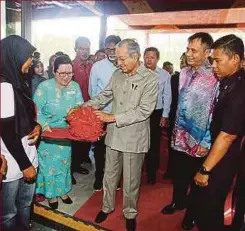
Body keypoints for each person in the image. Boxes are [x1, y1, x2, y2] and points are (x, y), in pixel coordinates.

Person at [83, 39, 158, 231]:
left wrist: (112, 117)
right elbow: (104, 96)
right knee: (109, 175)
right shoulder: (117, 75)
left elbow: (144, 110)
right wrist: (83, 108)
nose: (119, 63)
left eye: (123, 59)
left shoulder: (150, 79)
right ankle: (106, 207)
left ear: (136, 56)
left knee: (131, 180)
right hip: (114, 136)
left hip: (134, 137)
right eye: (117, 59)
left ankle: (130, 213)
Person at [161, 32, 217, 230]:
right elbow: (180, 105)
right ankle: (178, 202)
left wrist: (206, 142)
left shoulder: (214, 77)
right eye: (188, 49)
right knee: (179, 175)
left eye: (194, 50)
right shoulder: (183, 72)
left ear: (207, 52)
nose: (189, 54)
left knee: (196, 180)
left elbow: (214, 113)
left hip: (199, 140)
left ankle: (191, 213)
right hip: (179, 136)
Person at [193, 34, 245, 231]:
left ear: (235, 59)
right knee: (208, 206)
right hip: (219, 151)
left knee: (209, 207)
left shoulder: (240, 88)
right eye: (211, 60)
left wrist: (205, 170)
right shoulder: (228, 80)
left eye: (217, 60)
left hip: (228, 156)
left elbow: (227, 135)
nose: (213, 65)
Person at [1, 35, 41, 231]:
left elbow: (24, 115)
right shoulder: (4, 86)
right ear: (14, 56)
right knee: (9, 213)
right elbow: (7, 133)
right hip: (14, 159)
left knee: (25, 204)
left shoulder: (18, 81)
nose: (31, 61)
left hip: (27, 152)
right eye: (28, 56)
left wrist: (36, 126)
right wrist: (25, 165)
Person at [33, 55, 84, 209]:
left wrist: (78, 120)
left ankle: (63, 192)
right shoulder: (44, 87)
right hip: (48, 134)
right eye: (62, 73)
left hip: (66, 134)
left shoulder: (75, 87)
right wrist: (44, 124)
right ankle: (51, 195)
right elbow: (35, 109)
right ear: (54, 72)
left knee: (64, 164)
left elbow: (80, 107)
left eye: (69, 73)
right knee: (49, 167)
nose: (66, 77)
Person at [89, 35, 121, 191]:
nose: (111, 52)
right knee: (100, 149)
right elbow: (92, 91)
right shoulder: (97, 66)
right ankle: (99, 177)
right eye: (108, 49)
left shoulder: (125, 65)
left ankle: (115, 179)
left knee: (117, 149)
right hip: (101, 115)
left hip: (119, 116)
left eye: (114, 49)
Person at [143, 47, 172, 184]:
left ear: (157, 59)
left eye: (152, 57)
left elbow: (167, 95)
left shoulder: (164, 74)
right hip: (140, 112)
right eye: (146, 57)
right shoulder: (138, 72)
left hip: (156, 112)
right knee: (139, 142)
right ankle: (138, 170)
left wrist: (164, 115)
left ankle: (151, 174)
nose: (149, 60)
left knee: (154, 144)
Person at [164, 52, 188, 179]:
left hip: (189, 118)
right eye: (182, 61)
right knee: (172, 144)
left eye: (185, 61)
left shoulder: (198, 79)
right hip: (174, 116)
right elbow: (169, 98)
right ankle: (171, 170)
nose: (183, 64)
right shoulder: (174, 78)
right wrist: (166, 115)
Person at [71, 37, 92, 181]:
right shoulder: (70, 66)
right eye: (82, 48)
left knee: (85, 139)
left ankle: (79, 162)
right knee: (73, 140)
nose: (85, 52)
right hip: (74, 109)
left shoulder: (92, 66)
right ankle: (71, 169)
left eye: (87, 49)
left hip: (89, 108)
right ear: (76, 49)